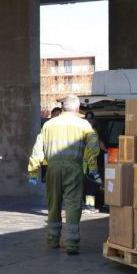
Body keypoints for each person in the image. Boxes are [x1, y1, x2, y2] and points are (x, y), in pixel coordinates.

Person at [28, 95, 100, 255]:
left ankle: (53, 240)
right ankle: (72, 243)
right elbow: (94, 147)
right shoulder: (84, 125)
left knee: (53, 204)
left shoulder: (49, 124)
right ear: (77, 108)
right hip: (74, 168)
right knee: (73, 205)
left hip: (52, 169)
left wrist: (33, 171)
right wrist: (92, 167)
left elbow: (37, 148)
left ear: (63, 108)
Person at [82, 111, 106, 213]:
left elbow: (99, 142)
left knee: (93, 183)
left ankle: (89, 205)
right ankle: (89, 206)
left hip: (92, 162)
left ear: (93, 121)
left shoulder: (91, 131)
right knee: (91, 184)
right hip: (88, 163)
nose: (89, 121)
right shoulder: (85, 131)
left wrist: (106, 150)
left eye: (90, 120)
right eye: (87, 119)